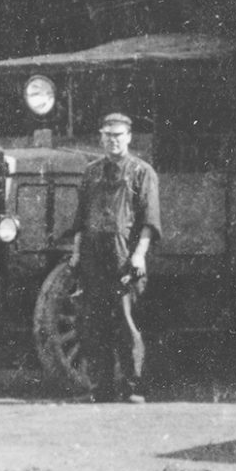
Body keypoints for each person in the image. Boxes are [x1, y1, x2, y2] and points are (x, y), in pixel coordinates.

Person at [66, 111, 159, 403]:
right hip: (93, 257)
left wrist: (140, 255)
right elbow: (80, 220)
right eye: (107, 136)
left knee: (126, 322)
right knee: (93, 325)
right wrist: (76, 253)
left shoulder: (142, 172)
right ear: (101, 138)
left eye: (118, 136)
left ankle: (133, 387)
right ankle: (101, 388)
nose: (113, 141)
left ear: (129, 137)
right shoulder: (91, 172)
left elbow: (149, 221)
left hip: (124, 257)